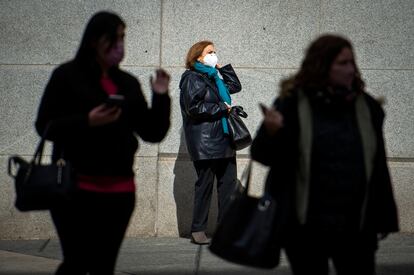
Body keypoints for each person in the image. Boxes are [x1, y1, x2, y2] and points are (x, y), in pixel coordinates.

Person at [35, 11, 170, 275]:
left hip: (119, 193)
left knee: (103, 266)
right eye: (114, 38)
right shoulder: (67, 76)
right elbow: (45, 125)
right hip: (75, 190)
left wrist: (161, 97)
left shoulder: (127, 83)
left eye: (123, 38)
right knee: (76, 263)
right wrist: (87, 121)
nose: (120, 46)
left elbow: (152, 132)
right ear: (95, 40)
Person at [251, 34, 399, 275]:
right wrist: (271, 132)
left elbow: (378, 166)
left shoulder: (367, 107)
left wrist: (384, 217)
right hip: (305, 227)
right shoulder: (292, 104)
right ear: (322, 65)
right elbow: (262, 156)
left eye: (352, 62)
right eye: (342, 63)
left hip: (355, 227)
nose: (351, 69)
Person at [179, 40, 242, 244]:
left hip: (224, 139)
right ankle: (198, 229)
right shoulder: (192, 78)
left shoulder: (214, 78)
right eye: (210, 52)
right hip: (205, 142)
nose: (214, 54)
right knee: (204, 185)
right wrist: (222, 109)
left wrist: (220, 68)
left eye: (215, 51)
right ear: (198, 56)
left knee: (228, 186)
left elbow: (235, 86)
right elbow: (193, 108)